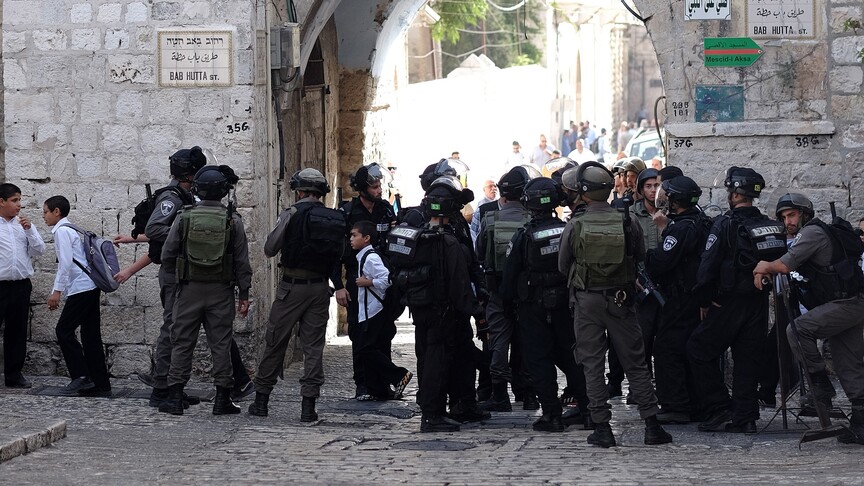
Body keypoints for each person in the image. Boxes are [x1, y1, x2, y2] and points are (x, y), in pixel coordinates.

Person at [558, 162, 672, 448]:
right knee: (636, 362)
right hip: (622, 299)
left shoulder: (575, 224)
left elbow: (563, 265)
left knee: (592, 364)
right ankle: (652, 425)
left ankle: (602, 427)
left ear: (583, 193)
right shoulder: (626, 220)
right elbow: (640, 256)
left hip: (587, 300)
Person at [140, 147, 252, 408]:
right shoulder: (228, 218)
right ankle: (216, 396)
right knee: (216, 341)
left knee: (182, 339)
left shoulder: (186, 214)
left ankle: (175, 395)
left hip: (187, 285)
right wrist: (244, 293)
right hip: (213, 287)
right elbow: (242, 262)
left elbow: (167, 254)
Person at [754, 194, 864, 445]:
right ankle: (861, 423)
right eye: (784, 217)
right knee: (848, 364)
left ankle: (820, 384)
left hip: (847, 303)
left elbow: (784, 265)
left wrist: (762, 266)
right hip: (848, 302)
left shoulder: (812, 233)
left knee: (798, 330)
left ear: (805, 214)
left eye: (792, 215)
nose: (788, 221)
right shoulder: (810, 234)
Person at [688, 167, 786, 433]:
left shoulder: (725, 223)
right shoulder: (767, 225)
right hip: (758, 301)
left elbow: (707, 266)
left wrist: (704, 300)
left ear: (733, 193)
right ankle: (746, 417)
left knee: (697, 349)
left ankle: (719, 407)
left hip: (727, 302)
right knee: (746, 359)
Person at [248, 168, 344, 421]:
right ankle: (308, 408)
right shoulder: (334, 219)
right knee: (313, 347)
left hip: (292, 288)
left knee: (275, 340)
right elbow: (338, 255)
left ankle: (261, 401)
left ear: (299, 191)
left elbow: (270, 248)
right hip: (320, 289)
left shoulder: (291, 213)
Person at [390, 176, 482, 432]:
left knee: (430, 361)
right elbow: (460, 285)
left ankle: (435, 411)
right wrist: (475, 311)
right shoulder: (449, 242)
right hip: (444, 313)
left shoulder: (416, 238)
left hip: (421, 309)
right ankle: (433, 416)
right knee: (437, 364)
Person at [502, 177, 588, 432]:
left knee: (539, 360)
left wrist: (507, 306)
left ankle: (552, 414)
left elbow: (509, 277)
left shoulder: (523, 236)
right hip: (566, 304)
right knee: (572, 356)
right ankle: (588, 410)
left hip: (533, 307)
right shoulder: (569, 229)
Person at [645, 176, 712, 424]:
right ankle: (695, 403)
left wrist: (660, 236)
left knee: (667, 349)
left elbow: (661, 263)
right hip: (697, 297)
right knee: (689, 349)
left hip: (681, 298)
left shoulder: (680, 228)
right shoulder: (703, 221)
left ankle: (676, 405)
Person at [477, 165, 538, 412]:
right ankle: (529, 395)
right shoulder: (532, 220)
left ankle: (500, 395)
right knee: (529, 341)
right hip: (528, 292)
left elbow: (480, 253)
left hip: (497, 291)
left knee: (498, 342)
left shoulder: (490, 219)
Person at [334, 163, 396, 399]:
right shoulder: (348, 213)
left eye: (380, 186)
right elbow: (336, 252)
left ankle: (384, 383)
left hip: (381, 280)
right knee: (359, 332)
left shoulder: (386, 210)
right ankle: (362, 384)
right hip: (356, 279)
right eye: (374, 187)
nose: (379, 190)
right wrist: (339, 286)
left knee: (383, 331)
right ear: (362, 189)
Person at [43, 195, 111, 397]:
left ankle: (81, 376)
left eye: (45, 212)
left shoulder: (62, 231)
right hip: (89, 286)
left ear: (56, 212)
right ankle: (100, 384)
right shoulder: (70, 229)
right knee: (91, 336)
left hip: (81, 288)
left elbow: (65, 263)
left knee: (63, 330)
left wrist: (57, 291)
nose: (43, 216)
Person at [351, 220, 413, 401]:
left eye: (354, 235)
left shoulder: (371, 258)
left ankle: (399, 375)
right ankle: (377, 389)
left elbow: (387, 279)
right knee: (370, 349)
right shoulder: (363, 256)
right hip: (368, 310)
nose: (351, 239)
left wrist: (367, 282)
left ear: (366, 238)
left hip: (374, 310)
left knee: (365, 348)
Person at [0, 184, 45, 388]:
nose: (19, 205)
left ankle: (14, 375)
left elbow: (39, 250)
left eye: (19, 200)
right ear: (2, 202)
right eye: (14, 200)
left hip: (20, 286)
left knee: (17, 331)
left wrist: (29, 231)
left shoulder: (24, 225)